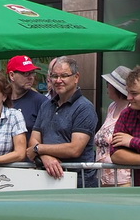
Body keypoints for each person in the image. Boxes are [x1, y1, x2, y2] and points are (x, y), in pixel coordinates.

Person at [29, 56, 100, 185]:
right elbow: (33, 141)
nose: (58, 80)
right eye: (54, 76)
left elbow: (74, 148)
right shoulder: (46, 105)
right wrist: (45, 157)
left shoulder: (84, 108)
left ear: (76, 77)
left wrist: (39, 149)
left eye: (64, 76)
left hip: (78, 183)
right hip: (47, 179)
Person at [92, 66, 135, 186]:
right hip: (103, 177)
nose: (107, 86)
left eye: (109, 83)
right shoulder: (112, 107)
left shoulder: (132, 110)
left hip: (123, 180)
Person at [4, 55, 52, 127]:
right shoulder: (2, 100)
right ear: (11, 75)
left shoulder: (41, 102)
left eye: (32, 73)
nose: (31, 77)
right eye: (26, 73)